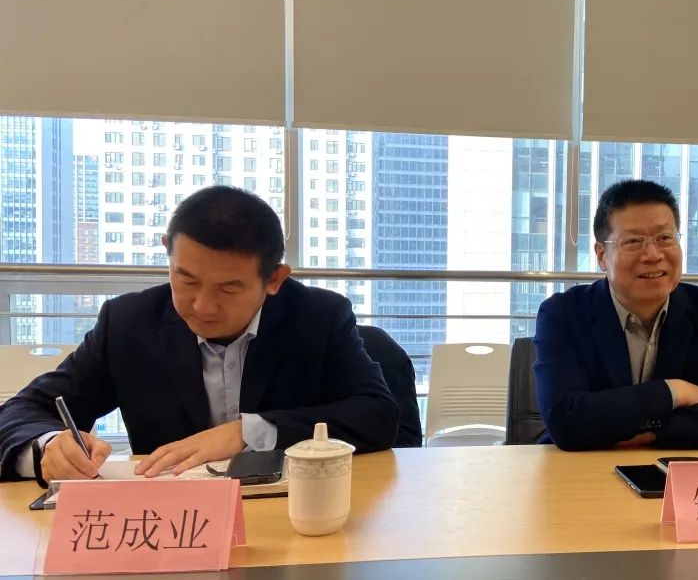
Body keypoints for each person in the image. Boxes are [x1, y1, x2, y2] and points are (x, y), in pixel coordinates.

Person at [0, 186, 399, 484]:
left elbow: (378, 415)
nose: (202, 306)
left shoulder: (318, 317)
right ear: (168, 253)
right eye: (186, 279)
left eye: (229, 288)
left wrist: (249, 432)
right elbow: (23, 412)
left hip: (289, 514)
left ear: (274, 279)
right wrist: (48, 448)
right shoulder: (128, 323)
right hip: (172, 525)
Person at [533, 179, 698, 451]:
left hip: (674, 467)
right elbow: (566, 420)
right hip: (580, 467)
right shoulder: (563, 314)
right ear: (602, 255)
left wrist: (657, 430)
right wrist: (673, 391)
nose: (652, 254)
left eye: (664, 238)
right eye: (633, 241)